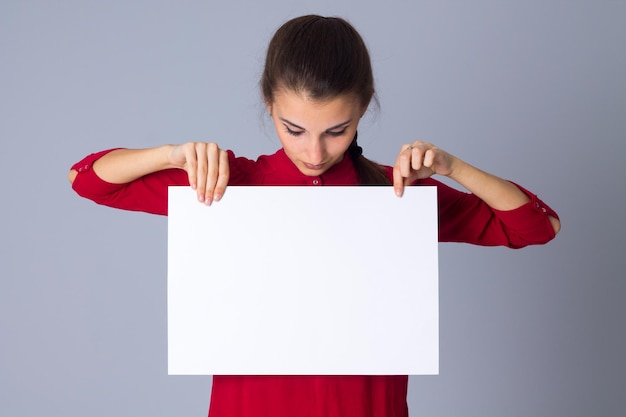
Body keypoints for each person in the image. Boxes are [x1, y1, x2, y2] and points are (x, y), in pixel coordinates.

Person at [68, 14, 560, 417]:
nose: (314, 151)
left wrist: (452, 167)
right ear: (269, 104)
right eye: (294, 129)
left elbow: (538, 227)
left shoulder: (395, 195)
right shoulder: (229, 185)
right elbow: (86, 178)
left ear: (364, 108)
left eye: (337, 130)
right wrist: (172, 154)